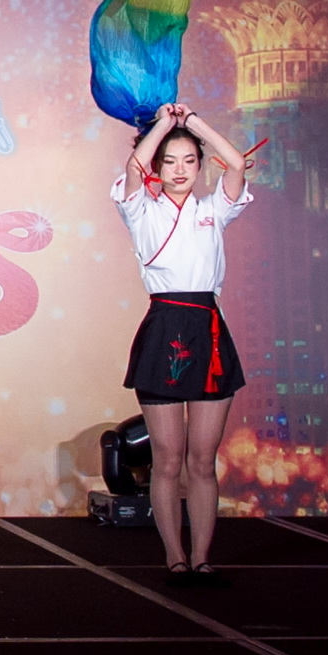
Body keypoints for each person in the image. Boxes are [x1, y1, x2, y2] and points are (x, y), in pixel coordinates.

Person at [114, 102, 249, 588]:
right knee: (168, 459)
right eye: (169, 161)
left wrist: (192, 123)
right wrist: (164, 125)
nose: (179, 170)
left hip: (208, 327)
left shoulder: (213, 209)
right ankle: (174, 555)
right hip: (164, 328)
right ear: (157, 165)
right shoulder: (139, 208)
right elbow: (134, 167)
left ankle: (202, 556)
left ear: (199, 165)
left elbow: (236, 163)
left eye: (189, 161)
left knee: (202, 460)